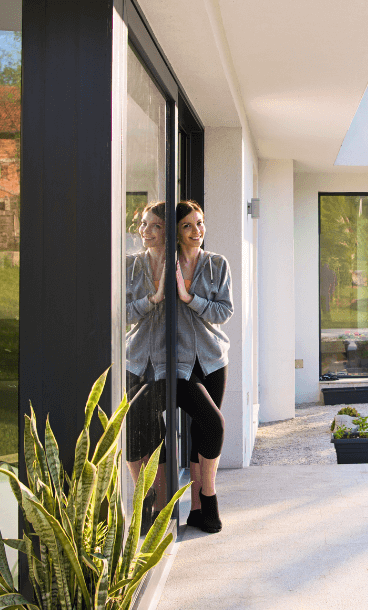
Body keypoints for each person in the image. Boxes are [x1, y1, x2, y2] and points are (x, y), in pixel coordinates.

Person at [174, 200, 231, 533]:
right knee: (214, 423)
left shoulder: (217, 265)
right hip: (179, 364)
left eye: (200, 223)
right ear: (178, 232)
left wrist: (189, 298)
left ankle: (196, 510)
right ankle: (209, 499)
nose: (197, 231)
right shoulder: (166, 265)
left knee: (202, 431)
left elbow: (223, 312)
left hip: (212, 358)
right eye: (188, 226)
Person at [125, 201, 169, 521]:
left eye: (154, 225)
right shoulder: (130, 265)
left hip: (167, 363)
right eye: (143, 224)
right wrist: (152, 300)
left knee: (153, 430)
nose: (145, 231)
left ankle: (160, 504)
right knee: (131, 431)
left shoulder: (181, 266)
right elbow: (123, 312)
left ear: (167, 229)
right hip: (135, 358)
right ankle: (144, 497)